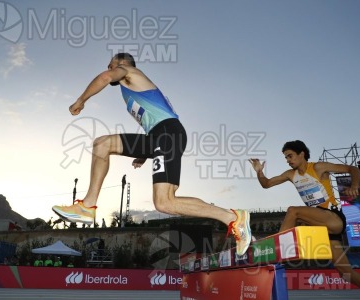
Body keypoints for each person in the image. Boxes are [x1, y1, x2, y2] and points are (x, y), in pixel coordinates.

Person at [52, 53, 251, 255]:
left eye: (110, 63)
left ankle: (233, 217)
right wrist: (144, 153)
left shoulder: (128, 71)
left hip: (167, 134)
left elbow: (104, 77)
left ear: (120, 63)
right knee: (102, 144)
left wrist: (81, 100)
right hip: (158, 136)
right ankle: (87, 207)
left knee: (165, 202)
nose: (108, 66)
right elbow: (153, 119)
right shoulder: (131, 87)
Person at [249, 140, 360, 299]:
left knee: (293, 212)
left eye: (290, 156)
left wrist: (354, 186)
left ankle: (275, 250)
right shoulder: (290, 175)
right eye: (286, 158)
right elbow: (267, 184)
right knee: (346, 273)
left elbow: (353, 169)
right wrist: (259, 172)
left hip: (333, 218)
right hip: (321, 225)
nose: (288, 160)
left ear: (302, 154)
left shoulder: (319, 167)